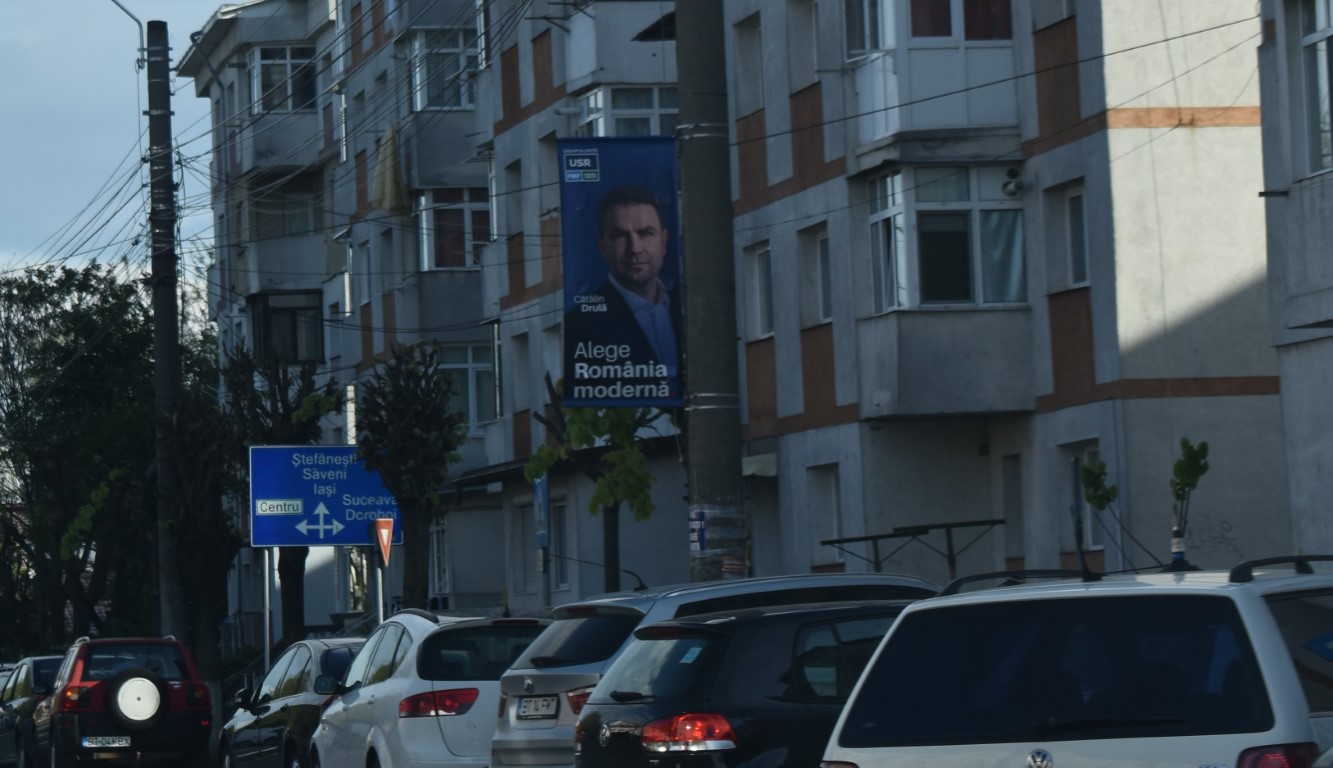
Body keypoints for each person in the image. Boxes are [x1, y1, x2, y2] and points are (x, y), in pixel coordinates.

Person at [564, 184, 681, 402]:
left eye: (646, 233)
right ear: (602, 246)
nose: (634, 248)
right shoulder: (578, 326)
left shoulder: (689, 309)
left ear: (664, 242)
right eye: (620, 235)